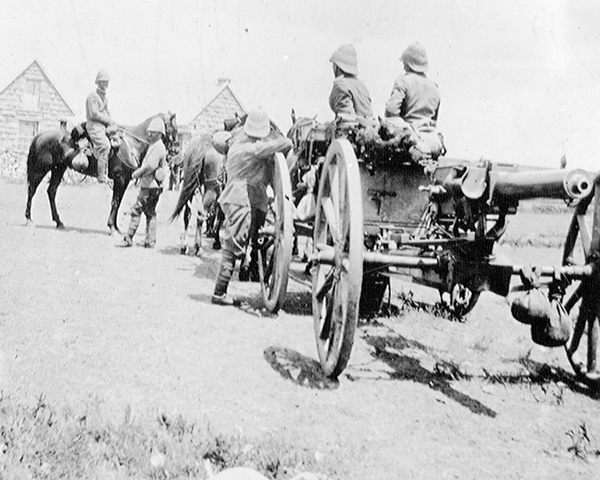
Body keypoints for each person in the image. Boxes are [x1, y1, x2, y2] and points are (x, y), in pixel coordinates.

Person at [212, 107, 293, 306]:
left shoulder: (238, 143)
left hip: (248, 197)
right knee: (234, 244)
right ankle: (219, 293)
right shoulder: (252, 148)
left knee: (246, 238)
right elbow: (286, 143)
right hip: (241, 197)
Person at [384, 42, 444, 161]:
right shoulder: (434, 87)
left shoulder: (403, 81)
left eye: (404, 62)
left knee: (389, 122)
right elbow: (434, 119)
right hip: (432, 140)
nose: (403, 66)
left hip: (411, 137)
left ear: (408, 63)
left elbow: (391, 111)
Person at [116, 117, 167, 248]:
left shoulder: (157, 147)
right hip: (155, 186)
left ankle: (128, 238)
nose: (149, 134)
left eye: (153, 132)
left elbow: (150, 166)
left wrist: (136, 173)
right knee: (150, 212)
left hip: (148, 186)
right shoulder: (157, 146)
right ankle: (150, 241)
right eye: (149, 132)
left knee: (136, 210)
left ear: (160, 133)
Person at [328, 44, 373, 120]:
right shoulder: (360, 84)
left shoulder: (340, 85)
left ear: (337, 67)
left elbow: (346, 118)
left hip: (353, 129)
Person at [86, 69, 115, 184]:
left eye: (107, 82)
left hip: (102, 126)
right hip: (94, 126)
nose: (105, 85)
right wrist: (108, 120)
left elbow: (107, 112)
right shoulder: (92, 96)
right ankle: (101, 175)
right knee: (105, 145)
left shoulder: (105, 98)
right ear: (98, 83)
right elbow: (94, 113)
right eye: (103, 82)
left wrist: (112, 122)